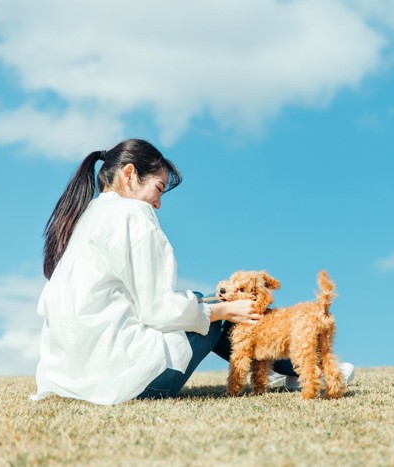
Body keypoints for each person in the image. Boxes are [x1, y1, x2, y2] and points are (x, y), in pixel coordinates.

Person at [32, 138, 352, 405]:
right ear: (129, 175)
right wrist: (223, 308)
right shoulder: (134, 214)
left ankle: (289, 367)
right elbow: (159, 310)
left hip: (67, 379)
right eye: (158, 188)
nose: (158, 202)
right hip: (123, 382)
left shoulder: (83, 220)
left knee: (205, 305)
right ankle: (304, 368)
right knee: (212, 308)